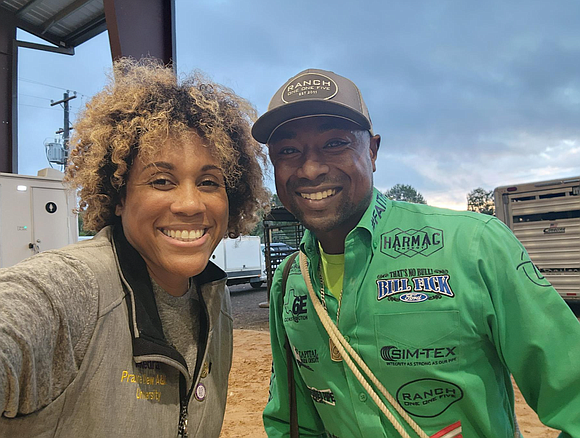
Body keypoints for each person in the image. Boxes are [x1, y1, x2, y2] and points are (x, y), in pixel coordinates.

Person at [252, 68, 580, 438]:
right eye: (289, 151)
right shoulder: (291, 279)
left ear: (372, 151)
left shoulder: (475, 246)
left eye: (334, 143)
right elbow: (292, 422)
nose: (310, 169)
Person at [0, 58, 269, 437]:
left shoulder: (213, 298)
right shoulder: (74, 289)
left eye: (209, 182)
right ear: (119, 196)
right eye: (161, 181)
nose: (191, 204)